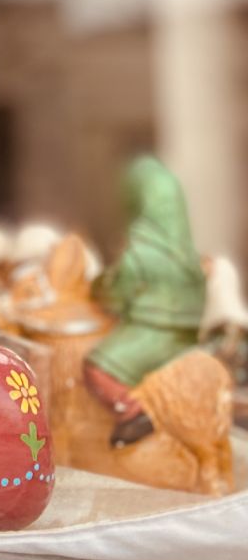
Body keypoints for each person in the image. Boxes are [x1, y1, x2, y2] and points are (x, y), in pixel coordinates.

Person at [84, 156, 207, 447]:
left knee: (96, 368)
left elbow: (116, 296)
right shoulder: (189, 256)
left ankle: (131, 413)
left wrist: (101, 290)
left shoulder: (139, 254)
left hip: (152, 332)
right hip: (186, 334)